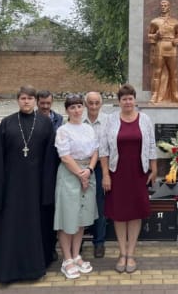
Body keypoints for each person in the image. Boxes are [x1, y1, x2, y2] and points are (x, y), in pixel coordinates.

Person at [0, 86, 58, 283]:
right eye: (23, 98)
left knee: (34, 225)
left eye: (30, 98)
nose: (26, 101)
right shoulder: (7, 123)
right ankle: (6, 267)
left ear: (35, 101)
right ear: (17, 100)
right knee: (9, 226)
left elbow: (50, 158)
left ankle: (34, 267)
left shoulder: (45, 124)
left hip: (36, 186)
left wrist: (48, 188)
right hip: (11, 186)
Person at [100, 84, 157, 273]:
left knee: (135, 213)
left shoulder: (145, 119)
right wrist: (106, 174)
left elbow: (151, 145)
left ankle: (131, 254)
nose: (127, 102)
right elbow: (103, 150)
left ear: (135, 99)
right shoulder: (110, 120)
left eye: (130, 98)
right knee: (119, 213)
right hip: (117, 172)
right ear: (119, 101)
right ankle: (122, 253)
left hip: (138, 172)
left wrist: (154, 169)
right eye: (124, 99)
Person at [54, 95, 98, 279]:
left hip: (88, 171)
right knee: (68, 217)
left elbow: (96, 151)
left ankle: (76, 254)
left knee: (81, 217)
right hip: (70, 174)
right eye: (72, 107)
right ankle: (67, 259)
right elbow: (64, 156)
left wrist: (89, 170)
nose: (77, 110)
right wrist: (80, 175)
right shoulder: (63, 130)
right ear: (67, 110)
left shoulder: (88, 128)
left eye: (79, 106)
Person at [36, 90, 63, 262]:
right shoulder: (32, 119)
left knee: (52, 210)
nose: (45, 107)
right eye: (42, 103)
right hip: (35, 170)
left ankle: (51, 246)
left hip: (54, 169)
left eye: (48, 103)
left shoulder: (58, 119)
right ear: (37, 102)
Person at [83, 92, 108, 258]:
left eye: (96, 103)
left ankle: (99, 243)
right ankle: (77, 241)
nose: (93, 106)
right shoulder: (77, 118)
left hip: (100, 166)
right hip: (80, 167)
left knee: (100, 205)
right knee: (80, 204)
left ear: (101, 103)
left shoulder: (109, 120)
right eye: (90, 103)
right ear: (85, 104)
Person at [148, 0, 178, 103]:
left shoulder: (175, 21)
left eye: (165, 5)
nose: (163, 7)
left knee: (174, 73)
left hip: (172, 47)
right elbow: (149, 35)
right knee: (157, 72)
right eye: (162, 5)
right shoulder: (155, 21)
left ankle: (175, 95)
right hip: (160, 45)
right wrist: (156, 35)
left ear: (169, 7)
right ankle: (154, 95)